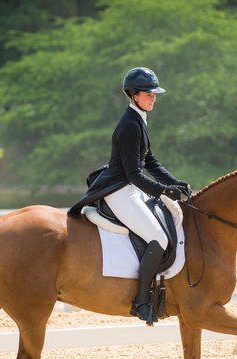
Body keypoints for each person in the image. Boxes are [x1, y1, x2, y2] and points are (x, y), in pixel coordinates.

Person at [69, 67, 190, 323]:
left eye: (155, 94)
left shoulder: (140, 118)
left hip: (130, 188)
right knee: (159, 239)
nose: (154, 98)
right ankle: (140, 302)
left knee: (162, 230)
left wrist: (175, 182)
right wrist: (164, 191)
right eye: (149, 94)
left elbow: (151, 161)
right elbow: (134, 174)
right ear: (133, 95)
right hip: (120, 191)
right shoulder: (129, 125)